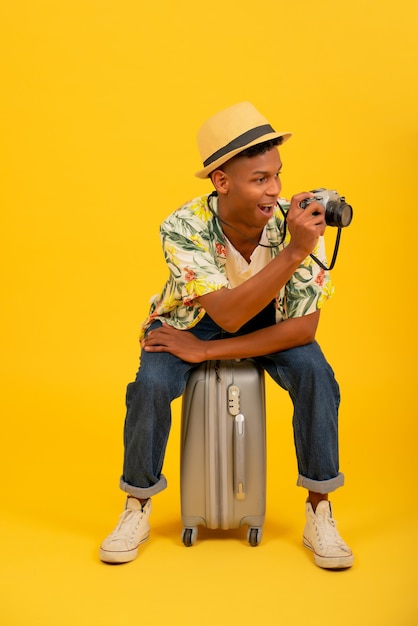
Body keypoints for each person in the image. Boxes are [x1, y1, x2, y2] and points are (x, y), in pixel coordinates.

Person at [99, 102, 353, 569]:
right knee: (150, 387)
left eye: (277, 175)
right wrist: (294, 253)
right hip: (190, 322)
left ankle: (320, 510)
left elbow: (304, 326)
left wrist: (209, 353)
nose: (275, 190)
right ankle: (136, 505)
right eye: (260, 179)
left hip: (266, 324)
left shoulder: (292, 224)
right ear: (222, 182)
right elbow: (230, 316)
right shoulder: (183, 225)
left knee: (318, 375)